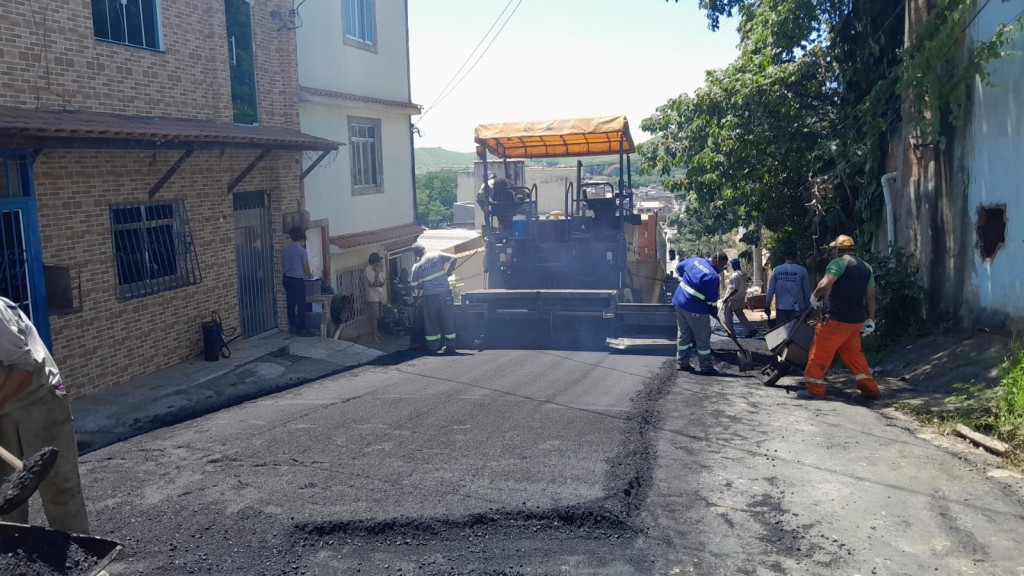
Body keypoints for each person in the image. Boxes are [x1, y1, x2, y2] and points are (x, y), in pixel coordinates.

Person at [0, 297, 89, 534]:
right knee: (4, 498)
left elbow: (24, 367)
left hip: (38, 399)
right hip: (2, 409)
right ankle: (12, 560)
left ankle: (77, 559)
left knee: (59, 487)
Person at [800, 234, 880, 400]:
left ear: (837, 249)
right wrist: (871, 319)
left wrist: (815, 297)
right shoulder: (866, 267)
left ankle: (814, 389)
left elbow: (825, 284)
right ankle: (870, 390)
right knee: (854, 357)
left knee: (820, 352)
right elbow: (871, 296)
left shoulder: (838, 263)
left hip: (836, 319)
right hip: (855, 322)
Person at [672, 252, 729, 375]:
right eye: (722, 265)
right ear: (716, 261)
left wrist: (688, 278)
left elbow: (678, 269)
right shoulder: (713, 277)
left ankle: (682, 363)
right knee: (702, 338)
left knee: (683, 334)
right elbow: (711, 301)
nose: (722, 269)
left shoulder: (694, 260)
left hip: (679, 303)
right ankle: (706, 366)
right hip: (695, 309)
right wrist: (713, 312)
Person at [409, 243, 458, 354]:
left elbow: (414, 284)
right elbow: (454, 258)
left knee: (431, 321)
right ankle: (451, 346)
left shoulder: (417, 266)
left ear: (416, 254)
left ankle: (433, 347)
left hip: (430, 296)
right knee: (448, 318)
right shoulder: (437, 254)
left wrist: (424, 284)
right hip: (444, 293)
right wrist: (449, 271)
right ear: (424, 249)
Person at [764, 249, 811, 326]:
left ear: (785, 258)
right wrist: (808, 306)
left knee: (782, 332)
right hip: (797, 307)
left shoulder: (777, 270)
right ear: (796, 258)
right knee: (796, 332)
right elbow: (806, 291)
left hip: (781, 307)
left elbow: (771, 289)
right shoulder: (802, 270)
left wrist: (767, 304)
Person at [282, 226, 315, 337]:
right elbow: (305, 267)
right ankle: (303, 329)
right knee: (301, 304)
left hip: (287, 279)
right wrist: (310, 275)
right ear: (302, 239)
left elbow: (285, 265)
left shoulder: (286, 250)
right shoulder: (302, 251)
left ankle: (293, 327)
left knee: (290, 304)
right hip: (297, 280)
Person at [719, 258, 757, 338]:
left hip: (733, 299)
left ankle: (731, 332)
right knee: (740, 314)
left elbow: (734, 289)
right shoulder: (743, 273)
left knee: (727, 314)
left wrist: (726, 298)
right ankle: (751, 329)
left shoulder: (735, 275)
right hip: (741, 298)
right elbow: (749, 280)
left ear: (733, 266)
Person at [363, 252, 386, 343]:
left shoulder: (377, 270)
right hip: (372, 297)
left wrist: (378, 280)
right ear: (374, 262)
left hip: (379, 295)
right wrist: (376, 273)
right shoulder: (368, 270)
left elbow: (382, 282)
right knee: (374, 318)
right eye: (378, 261)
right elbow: (372, 284)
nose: (379, 263)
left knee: (379, 316)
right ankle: (374, 335)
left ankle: (377, 333)